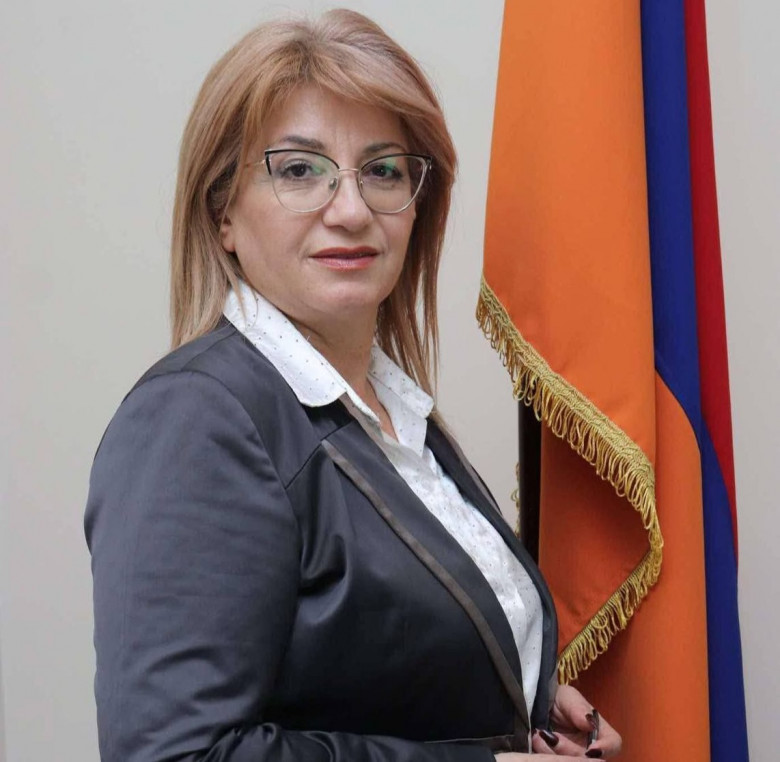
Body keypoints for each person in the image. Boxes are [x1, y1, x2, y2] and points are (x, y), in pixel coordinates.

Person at [85, 9, 621, 762]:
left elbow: (372, 662)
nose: (351, 210)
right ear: (223, 213)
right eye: (299, 169)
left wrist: (520, 700)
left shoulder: (392, 412)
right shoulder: (198, 418)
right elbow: (176, 755)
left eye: (383, 170)